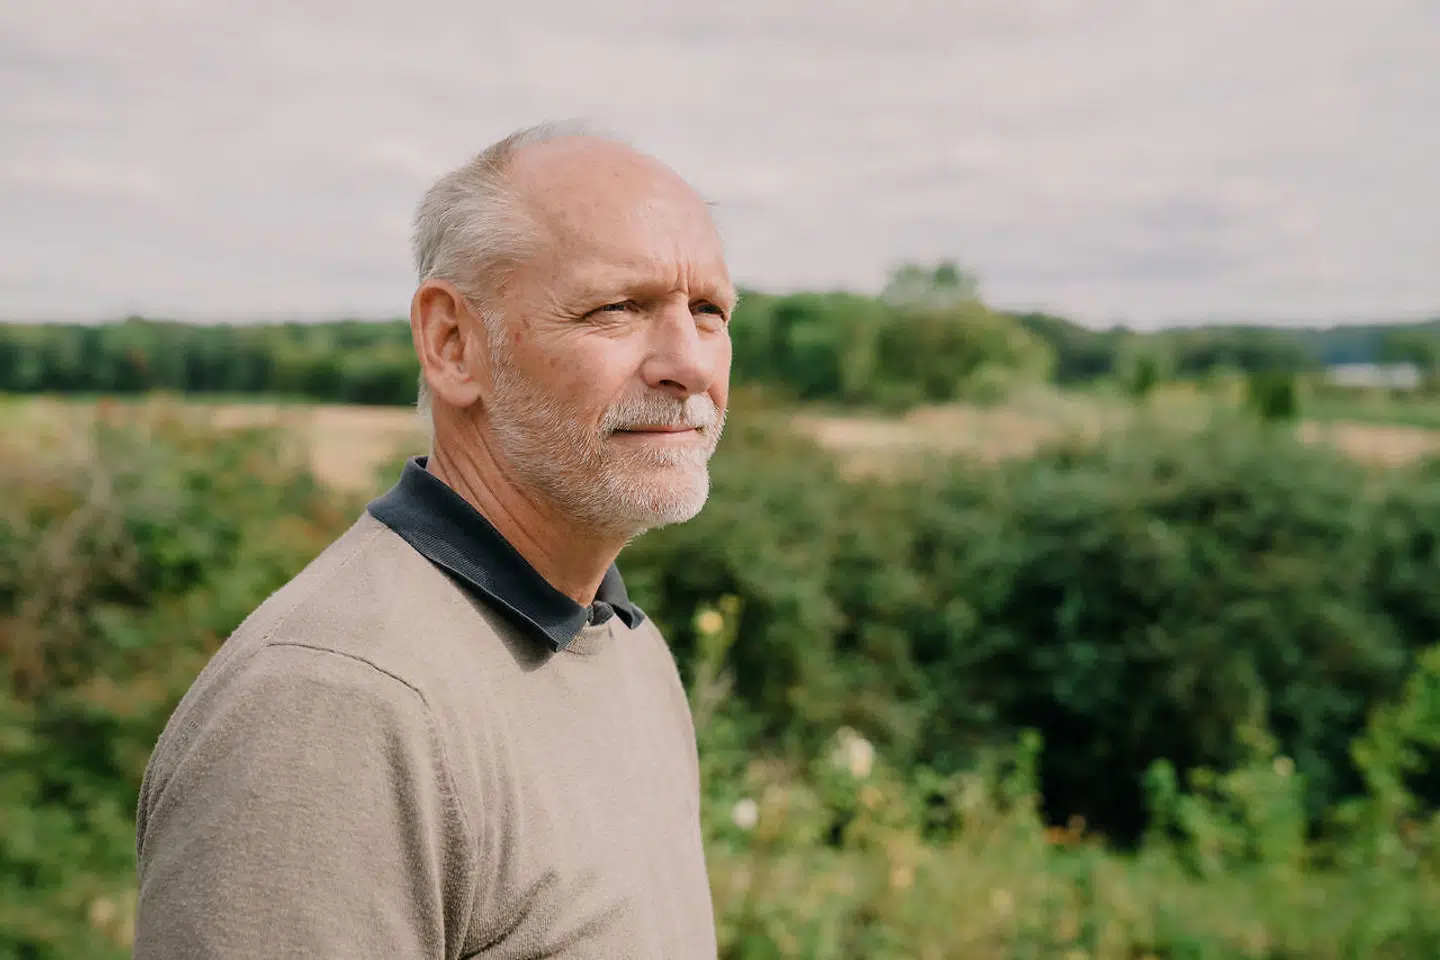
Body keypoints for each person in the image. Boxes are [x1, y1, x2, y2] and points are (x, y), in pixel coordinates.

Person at [133, 122, 735, 958]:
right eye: (617, 309)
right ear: (453, 345)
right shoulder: (332, 707)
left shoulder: (627, 647)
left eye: (709, 311)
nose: (689, 364)